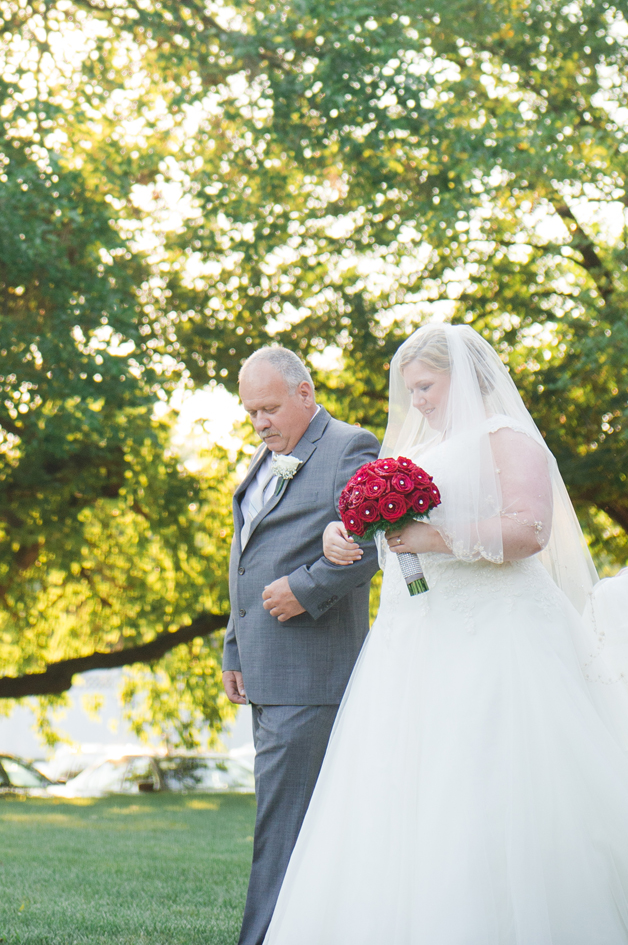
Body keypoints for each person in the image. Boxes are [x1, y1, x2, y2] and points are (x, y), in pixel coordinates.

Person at [264, 322, 628, 944]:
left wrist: (430, 538)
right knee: (406, 790)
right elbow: (381, 531)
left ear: (464, 378)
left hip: (500, 634)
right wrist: (345, 535)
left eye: (425, 386)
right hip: (418, 639)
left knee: (500, 779)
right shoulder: (417, 453)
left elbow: (528, 532)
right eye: (409, 390)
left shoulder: (508, 439)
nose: (415, 401)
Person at [222, 345, 379, 945]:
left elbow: (370, 545)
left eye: (268, 408)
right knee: (291, 823)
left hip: (313, 672)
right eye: (251, 412)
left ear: (305, 394)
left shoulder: (349, 447)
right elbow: (242, 558)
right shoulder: (264, 459)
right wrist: (234, 650)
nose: (260, 423)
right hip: (264, 669)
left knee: (282, 827)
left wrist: (305, 589)